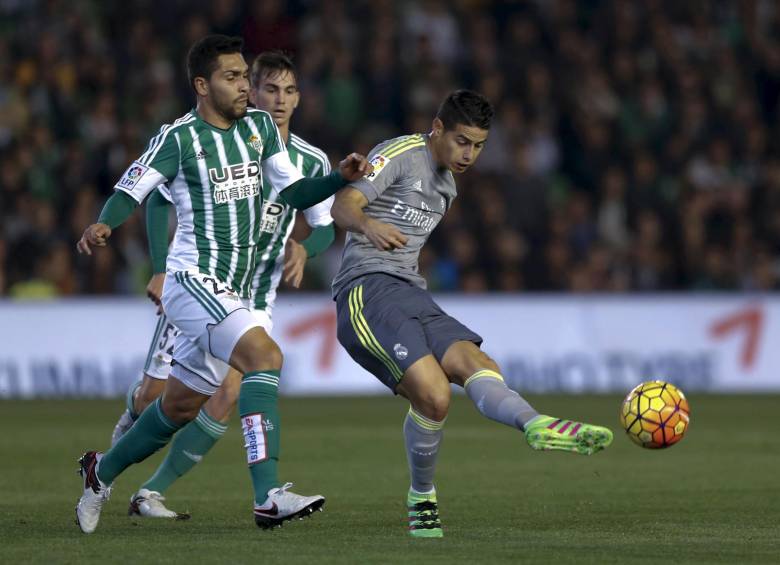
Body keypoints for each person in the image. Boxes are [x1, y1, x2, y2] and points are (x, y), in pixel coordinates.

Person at [74, 35, 371, 534]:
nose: (244, 89)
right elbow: (135, 189)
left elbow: (295, 190)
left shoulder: (259, 130)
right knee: (266, 357)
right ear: (201, 85)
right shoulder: (179, 138)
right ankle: (268, 496)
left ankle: (99, 473)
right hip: (192, 279)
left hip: (238, 291)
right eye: (233, 78)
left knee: (178, 406)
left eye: (241, 76)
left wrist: (338, 178)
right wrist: (105, 223)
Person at [330, 90, 613, 538]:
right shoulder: (399, 153)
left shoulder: (447, 186)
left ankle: (536, 423)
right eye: (462, 141)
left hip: (411, 293)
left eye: (479, 145)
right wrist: (368, 224)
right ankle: (421, 498)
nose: (469, 154)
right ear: (437, 129)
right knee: (436, 396)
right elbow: (342, 204)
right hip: (365, 292)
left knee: (480, 365)